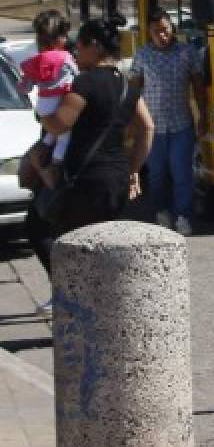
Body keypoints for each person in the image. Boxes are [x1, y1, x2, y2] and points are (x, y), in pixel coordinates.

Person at [25, 18, 154, 303]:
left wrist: (39, 108)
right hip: (117, 181)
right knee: (98, 247)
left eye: (80, 47)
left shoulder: (85, 83)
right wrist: (133, 170)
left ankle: (71, 306)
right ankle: (98, 309)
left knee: (41, 228)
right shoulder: (127, 87)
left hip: (84, 181)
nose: (75, 53)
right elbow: (147, 128)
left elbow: (59, 124)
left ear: (94, 47)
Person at [129, 7, 207, 236]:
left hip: (181, 124)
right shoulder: (143, 55)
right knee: (157, 174)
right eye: (156, 32)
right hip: (153, 128)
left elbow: (198, 86)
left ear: (172, 28)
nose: (162, 36)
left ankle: (183, 216)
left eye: (165, 30)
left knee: (182, 173)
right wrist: (132, 123)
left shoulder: (187, 52)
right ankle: (161, 212)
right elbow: (134, 89)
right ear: (149, 33)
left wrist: (202, 116)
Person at [18, 10, 79, 187]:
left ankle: (40, 152)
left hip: (42, 105)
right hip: (59, 105)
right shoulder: (66, 57)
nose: (67, 39)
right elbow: (77, 77)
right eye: (64, 35)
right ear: (57, 38)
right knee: (64, 136)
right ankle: (55, 165)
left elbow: (25, 86)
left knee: (51, 133)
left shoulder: (35, 61)